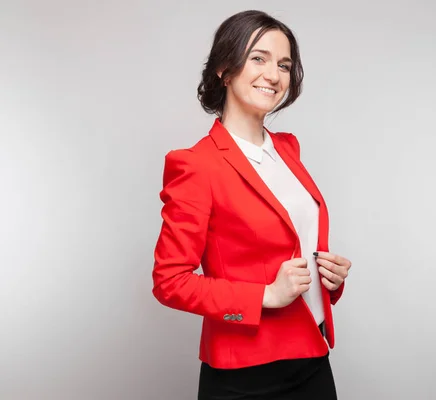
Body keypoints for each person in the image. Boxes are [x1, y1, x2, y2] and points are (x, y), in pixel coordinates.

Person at [152, 9, 352, 400]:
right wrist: (264, 295)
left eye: (284, 64)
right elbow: (169, 281)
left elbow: (289, 243)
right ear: (225, 68)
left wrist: (331, 278)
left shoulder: (288, 149)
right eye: (257, 58)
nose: (274, 75)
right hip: (244, 375)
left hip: (312, 357)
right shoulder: (196, 164)